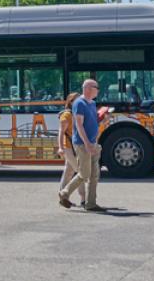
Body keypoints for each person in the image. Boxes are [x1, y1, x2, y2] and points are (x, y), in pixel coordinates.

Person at [55, 79, 104, 212]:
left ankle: (91, 203)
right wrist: (87, 143)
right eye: (96, 87)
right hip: (83, 144)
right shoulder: (79, 103)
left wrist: (103, 117)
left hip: (93, 143)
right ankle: (64, 193)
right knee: (84, 174)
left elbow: (92, 121)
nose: (98, 90)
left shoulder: (92, 103)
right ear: (88, 88)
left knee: (94, 175)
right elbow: (79, 125)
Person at [55, 91, 81, 208]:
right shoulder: (66, 115)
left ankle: (63, 196)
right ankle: (84, 199)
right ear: (71, 102)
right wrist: (60, 147)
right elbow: (61, 132)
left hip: (73, 147)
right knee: (81, 173)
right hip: (68, 148)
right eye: (77, 99)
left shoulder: (76, 113)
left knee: (69, 171)